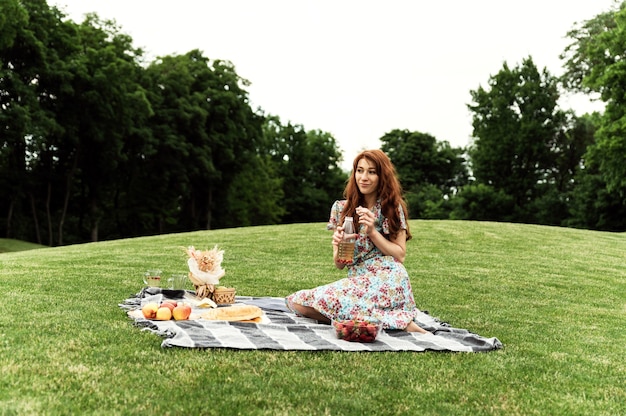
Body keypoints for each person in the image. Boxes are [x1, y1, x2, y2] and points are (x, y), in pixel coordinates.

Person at [285, 149, 428, 333]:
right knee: (298, 303)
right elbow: (339, 265)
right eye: (360, 171)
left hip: (389, 277)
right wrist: (336, 246)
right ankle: (396, 321)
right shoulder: (341, 209)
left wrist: (372, 232)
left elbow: (400, 255)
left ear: (382, 176)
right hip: (358, 280)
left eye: (372, 172)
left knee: (327, 305)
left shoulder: (391, 207)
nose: (364, 177)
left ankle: (383, 319)